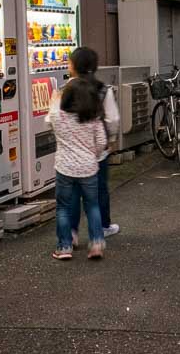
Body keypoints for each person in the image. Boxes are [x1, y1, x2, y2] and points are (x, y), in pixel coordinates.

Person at [47, 66, 107, 260]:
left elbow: (48, 122)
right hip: (88, 168)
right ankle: (96, 243)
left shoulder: (57, 116)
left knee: (63, 207)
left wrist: (55, 101)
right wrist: (92, 155)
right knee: (92, 206)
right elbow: (102, 143)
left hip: (64, 168)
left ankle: (64, 247)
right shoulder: (93, 119)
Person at [66, 47, 121, 244]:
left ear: (73, 67)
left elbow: (54, 119)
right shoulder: (103, 90)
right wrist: (112, 140)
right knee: (99, 192)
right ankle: (102, 229)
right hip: (98, 152)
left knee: (73, 194)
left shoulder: (66, 90)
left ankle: (72, 233)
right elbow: (113, 119)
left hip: (71, 153)